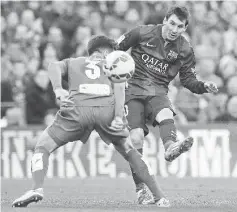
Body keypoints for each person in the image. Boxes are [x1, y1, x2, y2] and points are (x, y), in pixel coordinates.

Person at [12, 35, 170, 208]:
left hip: (77, 110)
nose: (114, 56)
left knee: (42, 146)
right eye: (112, 52)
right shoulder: (113, 65)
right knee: (130, 151)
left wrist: (58, 90)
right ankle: (160, 196)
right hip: (106, 111)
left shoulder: (73, 62)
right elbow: (119, 89)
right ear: (102, 52)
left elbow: (53, 66)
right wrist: (118, 117)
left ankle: (36, 188)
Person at [116, 6, 218, 204]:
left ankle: (171, 147)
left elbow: (188, 80)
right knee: (136, 138)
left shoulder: (185, 49)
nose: (174, 29)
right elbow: (116, 49)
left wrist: (204, 85)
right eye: (172, 23)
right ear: (165, 20)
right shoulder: (141, 32)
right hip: (133, 91)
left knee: (165, 113)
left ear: (184, 28)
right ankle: (141, 189)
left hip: (158, 91)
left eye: (180, 26)